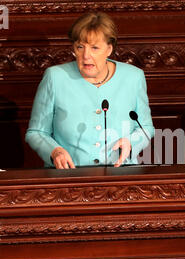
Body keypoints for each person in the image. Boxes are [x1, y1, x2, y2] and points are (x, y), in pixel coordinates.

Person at [25, 11, 154, 169]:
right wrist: (55, 151)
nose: (86, 55)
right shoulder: (55, 77)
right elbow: (36, 132)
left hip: (121, 175)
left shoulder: (133, 77)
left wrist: (131, 142)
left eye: (94, 48)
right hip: (69, 177)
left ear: (109, 49)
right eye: (80, 47)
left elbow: (146, 128)